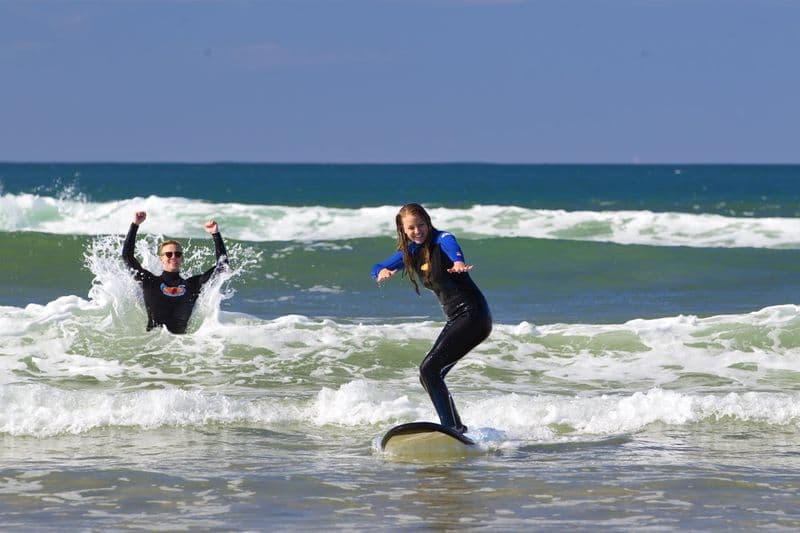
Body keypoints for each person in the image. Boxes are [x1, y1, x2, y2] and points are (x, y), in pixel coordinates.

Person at [371, 203, 492, 433]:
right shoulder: (412, 251)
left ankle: (451, 429)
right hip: (459, 318)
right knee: (430, 375)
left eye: (421, 225)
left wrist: (458, 262)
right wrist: (380, 272)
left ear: (428, 222)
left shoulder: (442, 239)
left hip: (472, 315)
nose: (417, 231)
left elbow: (451, 245)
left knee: (429, 370)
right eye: (411, 228)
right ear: (403, 230)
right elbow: (378, 265)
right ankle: (457, 428)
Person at [122, 211, 229, 334]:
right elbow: (127, 257)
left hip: (180, 346)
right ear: (161, 258)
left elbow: (223, 266)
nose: (173, 257)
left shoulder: (193, 284)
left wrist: (215, 234)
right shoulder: (149, 281)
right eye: (168, 254)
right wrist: (135, 224)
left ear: (182, 259)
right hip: (153, 343)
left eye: (177, 254)